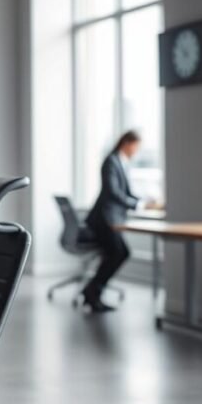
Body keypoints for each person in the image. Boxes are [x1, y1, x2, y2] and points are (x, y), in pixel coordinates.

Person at [81, 130, 157, 313]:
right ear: (127, 143)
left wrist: (143, 203)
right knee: (119, 252)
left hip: (112, 218)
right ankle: (93, 291)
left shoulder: (121, 163)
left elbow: (127, 192)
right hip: (104, 219)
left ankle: (92, 290)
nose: (136, 151)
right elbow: (113, 192)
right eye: (136, 147)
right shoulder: (111, 161)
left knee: (119, 253)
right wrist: (137, 205)